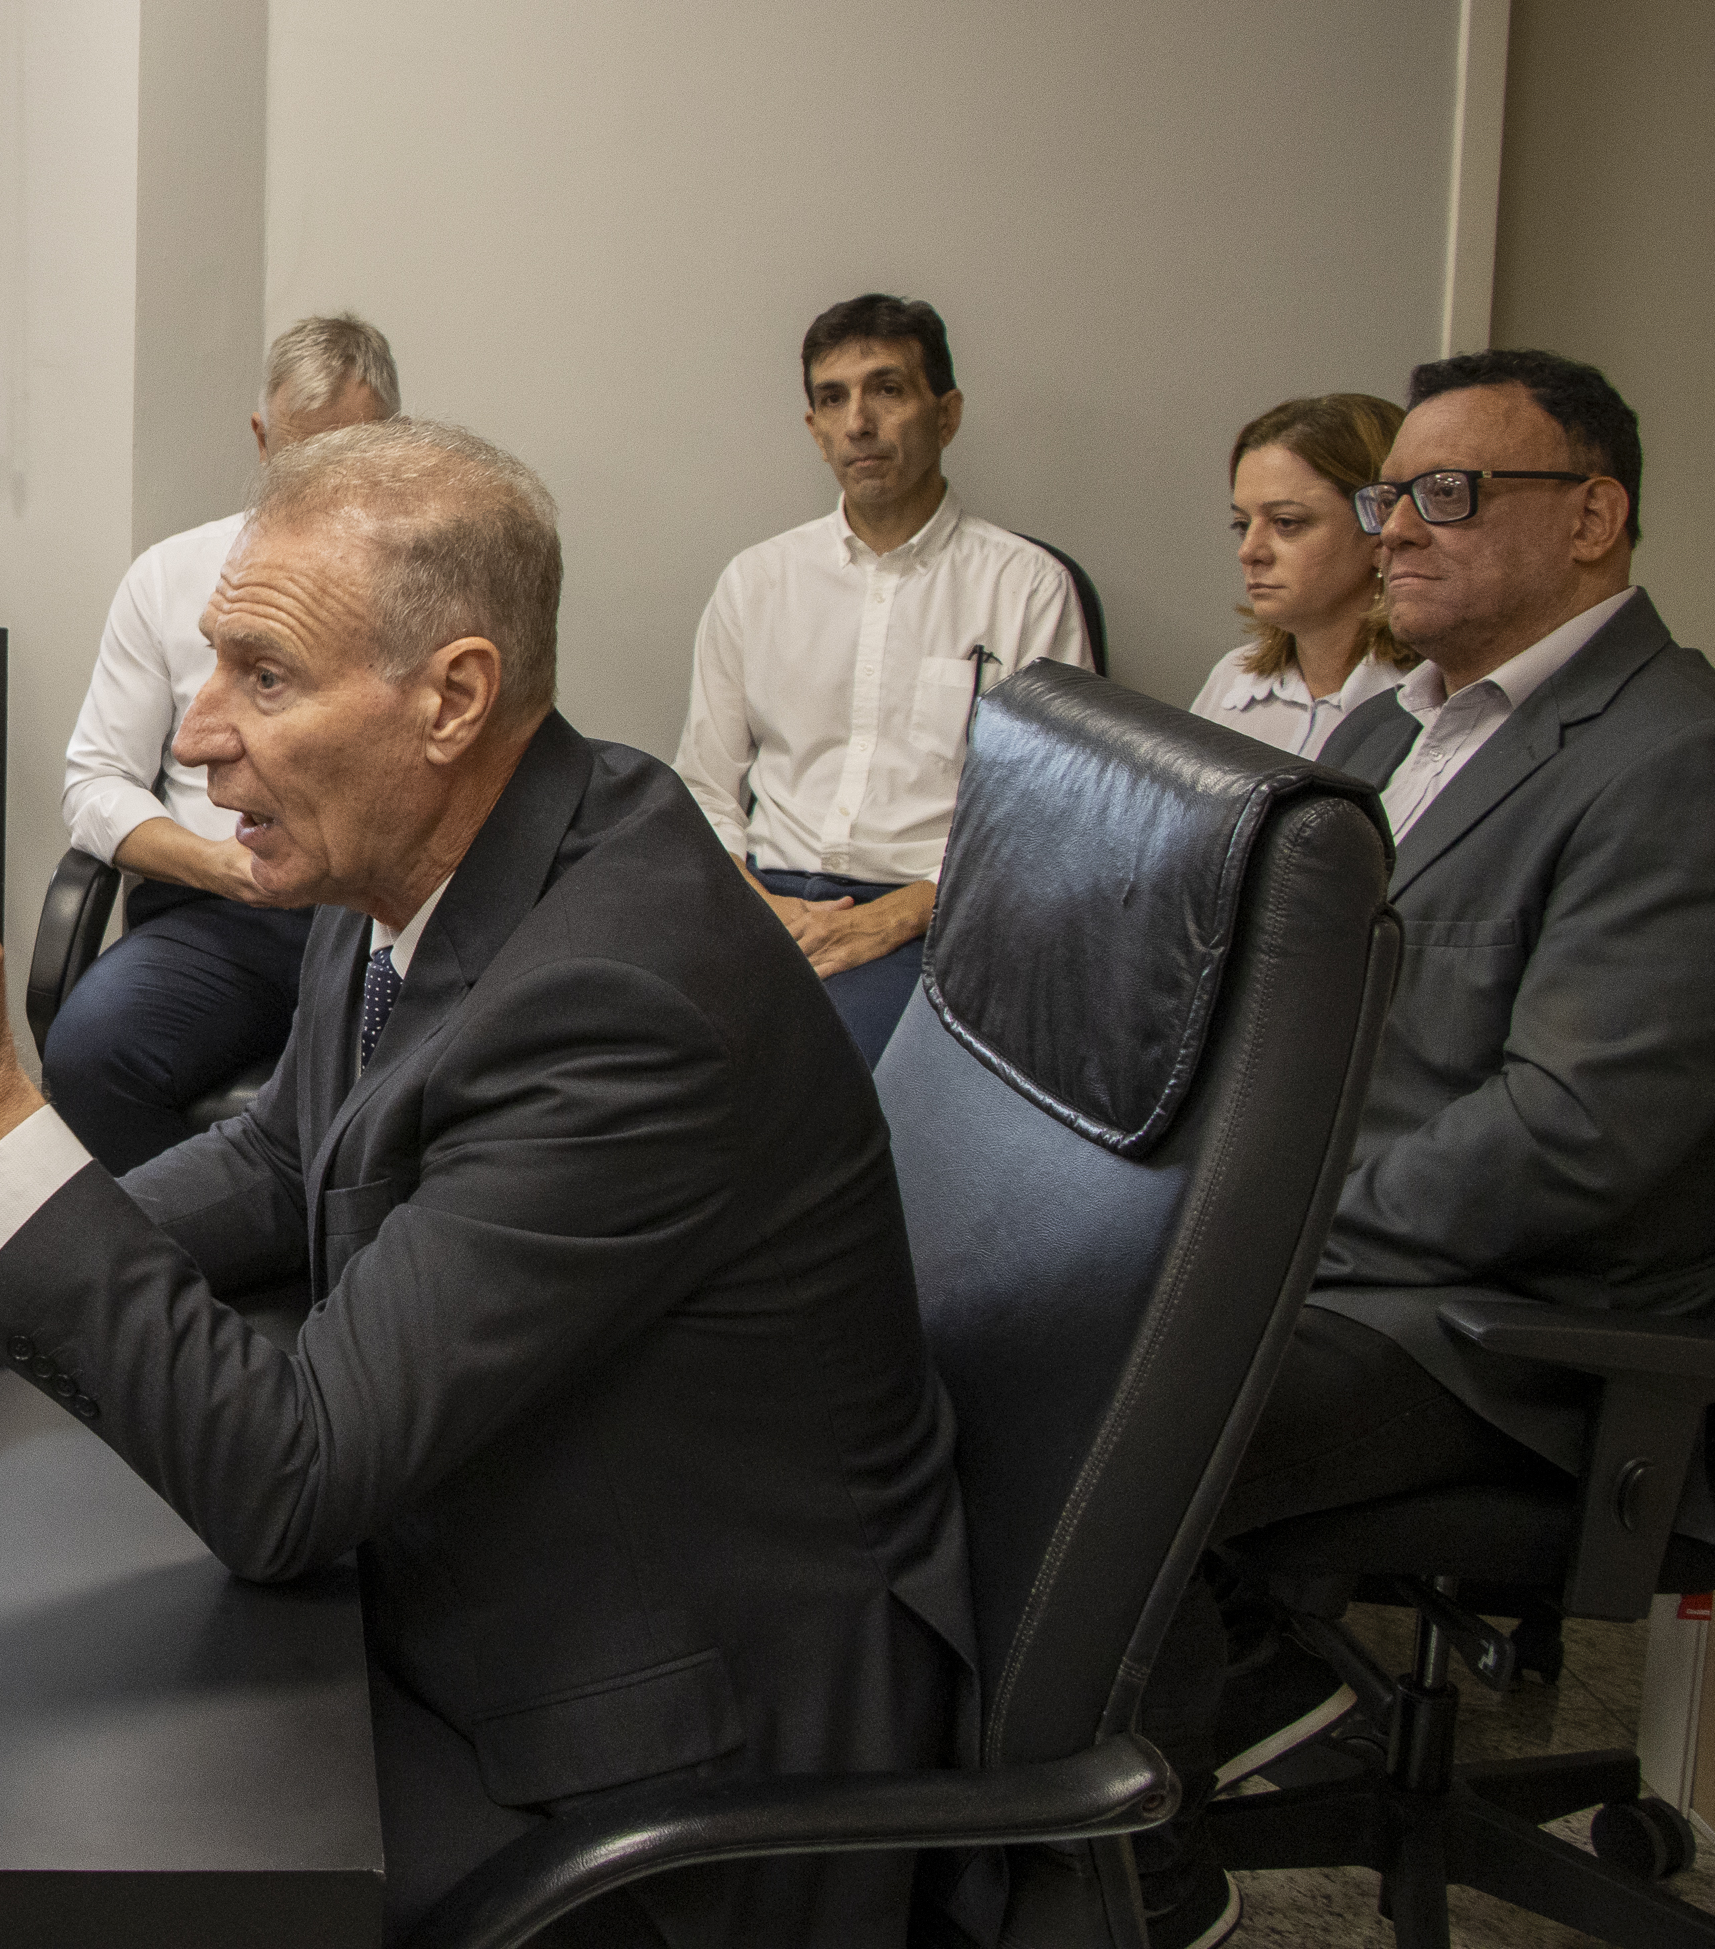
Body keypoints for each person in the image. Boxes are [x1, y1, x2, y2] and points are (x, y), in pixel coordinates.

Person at [0, 420, 971, 1947]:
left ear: (453, 697)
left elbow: (288, 1479)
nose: (202, 731)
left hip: (656, 1756)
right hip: (484, 1563)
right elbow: (292, 1152)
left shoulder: (626, 997)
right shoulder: (424, 845)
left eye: (264, 679)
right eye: (212, 664)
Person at [1137, 348, 1715, 1949]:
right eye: (1392, 494)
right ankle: (1125, 1770)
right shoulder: (1404, 731)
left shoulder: (1670, 757)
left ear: (1594, 516)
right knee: (1011, 1332)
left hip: (1518, 1342)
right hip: (1363, 1276)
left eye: (1447, 494)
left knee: (1119, 1414)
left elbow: (1575, 1132)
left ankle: (1144, 1883)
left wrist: (1267, 1227)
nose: (1397, 527)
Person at [674, 292, 1088, 1059]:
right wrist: (759, 906)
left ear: (947, 413)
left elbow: (1043, 823)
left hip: (932, 917)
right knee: (640, 1063)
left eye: (887, 390)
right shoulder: (756, 581)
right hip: (761, 897)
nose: (858, 422)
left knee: (821, 1079)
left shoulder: (1027, 588)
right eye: (833, 399)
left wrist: (893, 917)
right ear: (814, 428)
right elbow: (705, 783)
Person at [46, 310, 398, 1170]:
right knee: (88, 1057)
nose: (320, 487)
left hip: (381, 905)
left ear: (394, 441)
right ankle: (182, 1279)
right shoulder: (171, 577)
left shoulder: (434, 584)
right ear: (260, 437)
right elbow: (96, 782)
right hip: (222, 913)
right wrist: (220, 868)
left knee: (426, 1079)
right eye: (296, 457)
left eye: (347, 458)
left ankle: (355, 1276)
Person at [1183, 392, 1412, 759]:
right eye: (1242, 525)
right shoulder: (1234, 679)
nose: (1249, 552)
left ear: (1381, 528)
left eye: (1286, 523)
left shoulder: (1426, 696)